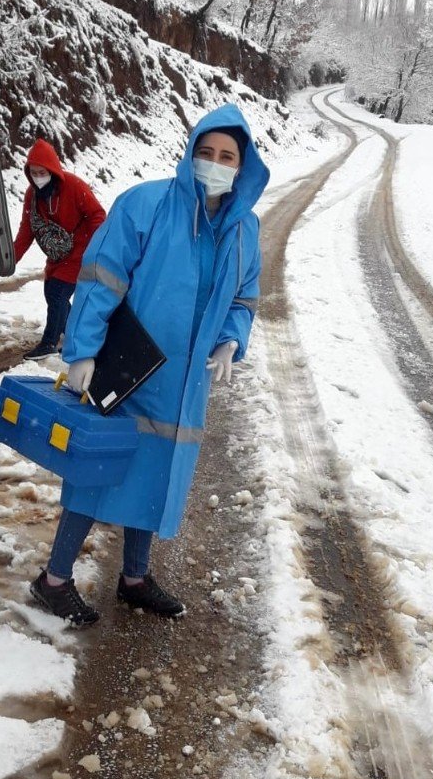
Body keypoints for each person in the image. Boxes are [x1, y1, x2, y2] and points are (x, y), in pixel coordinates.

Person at [28, 103, 269, 626]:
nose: (215, 162)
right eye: (206, 152)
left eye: (227, 156)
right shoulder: (146, 205)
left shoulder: (246, 229)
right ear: (189, 152)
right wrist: (82, 351)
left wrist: (231, 340)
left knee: (155, 473)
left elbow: (243, 298)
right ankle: (53, 579)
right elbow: (100, 279)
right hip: (125, 370)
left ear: (242, 165)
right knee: (98, 468)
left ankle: (134, 577)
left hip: (183, 383)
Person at [13, 138, 106, 360]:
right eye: (33, 173)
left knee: (57, 293)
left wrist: (84, 245)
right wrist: (12, 258)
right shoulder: (32, 195)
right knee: (52, 293)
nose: (38, 178)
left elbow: (98, 215)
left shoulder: (74, 186)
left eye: (42, 172)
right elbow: (27, 228)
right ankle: (75, 332)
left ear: (53, 170)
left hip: (78, 252)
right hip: (56, 254)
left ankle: (49, 343)